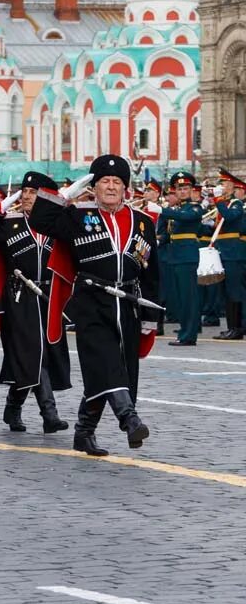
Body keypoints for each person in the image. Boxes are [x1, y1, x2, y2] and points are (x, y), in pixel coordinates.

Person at [28, 155, 158, 456]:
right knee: (106, 360)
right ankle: (129, 419)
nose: (110, 187)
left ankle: (84, 432)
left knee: (114, 368)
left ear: (126, 188)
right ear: (94, 187)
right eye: (103, 182)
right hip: (91, 301)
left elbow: (152, 271)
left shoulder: (142, 222)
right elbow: (39, 220)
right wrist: (68, 194)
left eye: (116, 182)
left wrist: (150, 316)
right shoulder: (77, 216)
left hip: (127, 303)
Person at [0, 173, 71, 434]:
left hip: (49, 298)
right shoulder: (8, 223)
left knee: (38, 355)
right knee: (33, 354)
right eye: (24, 191)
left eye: (33, 192)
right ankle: (50, 414)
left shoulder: (57, 225)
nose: (26, 196)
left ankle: (13, 405)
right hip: (19, 298)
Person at [158, 171, 202, 347]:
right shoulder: (177, 210)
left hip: (187, 257)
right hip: (175, 257)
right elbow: (170, 234)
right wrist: (158, 239)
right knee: (181, 298)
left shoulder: (194, 207)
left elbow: (187, 218)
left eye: (185, 188)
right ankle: (185, 331)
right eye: (179, 188)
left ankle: (189, 334)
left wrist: (162, 210)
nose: (182, 191)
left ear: (191, 189)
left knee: (189, 297)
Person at [214, 169, 246, 339]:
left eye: (224, 183)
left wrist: (218, 201)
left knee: (234, 291)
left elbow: (229, 217)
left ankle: (237, 328)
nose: (221, 186)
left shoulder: (236, 204)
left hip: (234, 253)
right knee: (227, 291)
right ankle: (231, 327)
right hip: (224, 251)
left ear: (232, 186)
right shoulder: (226, 203)